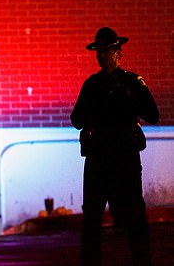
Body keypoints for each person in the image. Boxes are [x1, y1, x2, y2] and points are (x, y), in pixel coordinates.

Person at [70, 27, 159, 266]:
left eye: (107, 51)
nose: (102, 56)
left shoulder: (132, 83)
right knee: (92, 219)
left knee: (134, 216)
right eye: (99, 51)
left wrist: (129, 105)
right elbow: (76, 119)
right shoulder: (91, 85)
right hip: (99, 159)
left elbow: (153, 114)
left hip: (124, 158)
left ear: (119, 53)